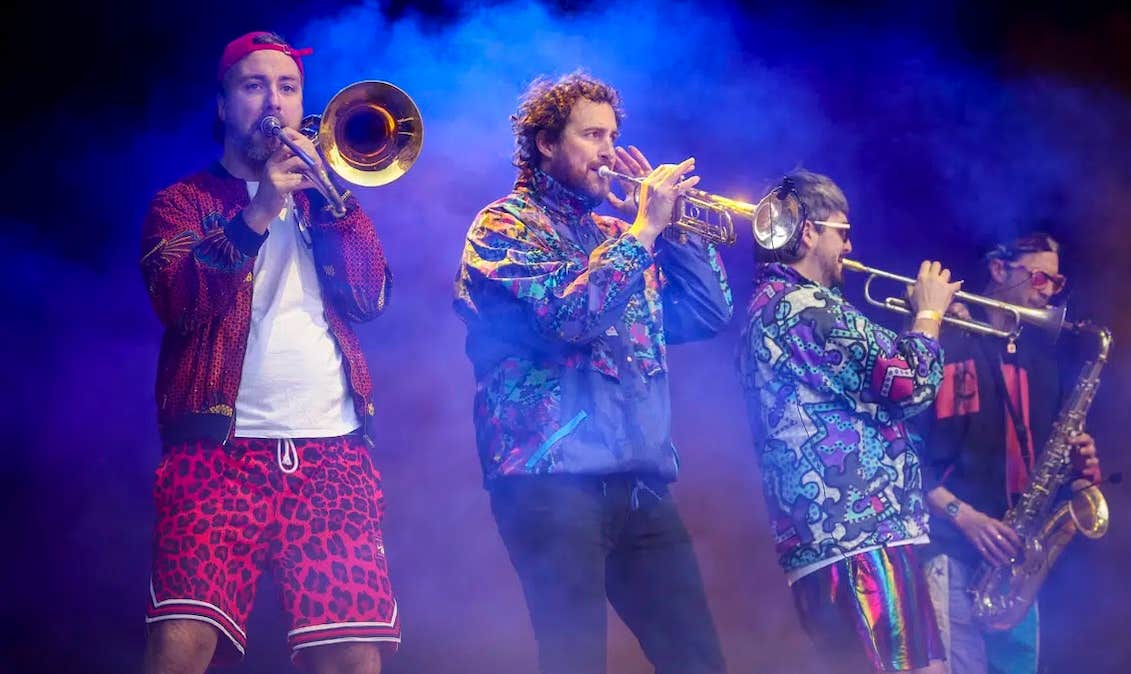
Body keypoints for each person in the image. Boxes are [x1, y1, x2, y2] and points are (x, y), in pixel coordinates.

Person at [453, 71, 732, 674]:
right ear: (546, 143)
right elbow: (568, 319)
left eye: (614, 135)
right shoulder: (502, 228)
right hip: (548, 479)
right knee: (573, 660)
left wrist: (674, 229)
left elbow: (707, 313)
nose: (609, 151)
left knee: (699, 661)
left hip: (638, 481)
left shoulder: (618, 234)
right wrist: (645, 231)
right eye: (591, 135)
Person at [138, 31, 400, 674]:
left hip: (334, 452)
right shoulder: (181, 204)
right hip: (216, 455)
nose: (273, 103)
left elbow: (371, 299)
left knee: (352, 656)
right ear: (224, 105)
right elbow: (182, 303)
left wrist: (334, 202)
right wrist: (259, 210)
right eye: (255, 86)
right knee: (181, 646)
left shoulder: (324, 204)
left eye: (287, 88)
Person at [738, 169, 956, 674]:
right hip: (859, 538)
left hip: (844, 539)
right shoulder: (805, 306)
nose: (850, 245)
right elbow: (912, 384)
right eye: (842, 230)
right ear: (808, 231)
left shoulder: (774, 307)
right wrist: (929, 316)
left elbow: (877, 390)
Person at [920, 232, 1101, 674]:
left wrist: (1078, 470)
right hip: (951, 549)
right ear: (998, 271)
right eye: (1039, 277)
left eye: (1056, 283)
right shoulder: (946, 344)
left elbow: (1044, 468)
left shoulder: (1042, 366)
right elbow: (900, 462)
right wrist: (965, 516)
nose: (1048, 291)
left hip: (1013, 568)